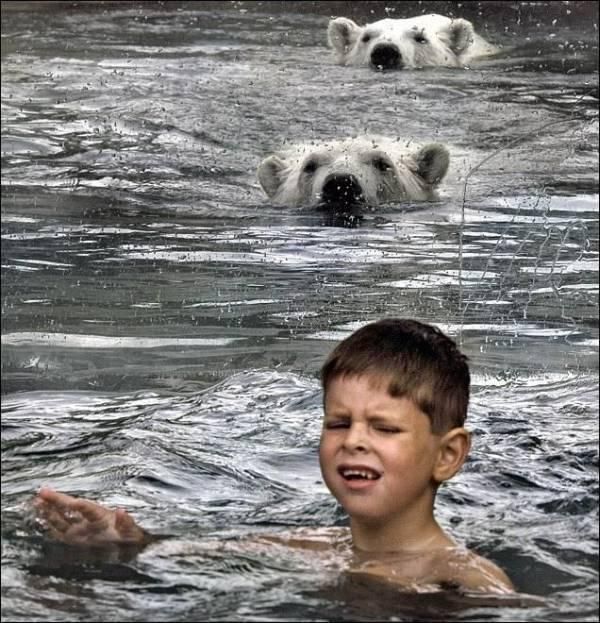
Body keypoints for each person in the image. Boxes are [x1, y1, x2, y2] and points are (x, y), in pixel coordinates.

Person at [34, 318, 514, 594]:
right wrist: (127, 542)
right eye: (338, 423)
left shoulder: (464, 579)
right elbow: (188, 556)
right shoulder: (317, 546)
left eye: (384, 427)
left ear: (447, 455)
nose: (354, 441)